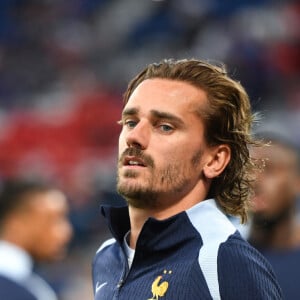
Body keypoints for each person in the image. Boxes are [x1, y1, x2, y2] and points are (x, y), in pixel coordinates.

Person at [92, 58, 282, 299]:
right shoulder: (107, 256)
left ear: (214, 160)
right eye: (130, 122)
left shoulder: (223, 261)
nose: (134, 137)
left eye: (165, 127)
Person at [0, 179, 73, 300]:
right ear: (16, 224)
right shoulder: (15, 289)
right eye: (53, 220)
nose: (66, 232)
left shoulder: (28, 283)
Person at [248, 130, 300, 299]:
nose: (254, 180)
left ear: (297, 182)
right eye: (249, 169)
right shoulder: (223, 258)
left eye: (269, 170)